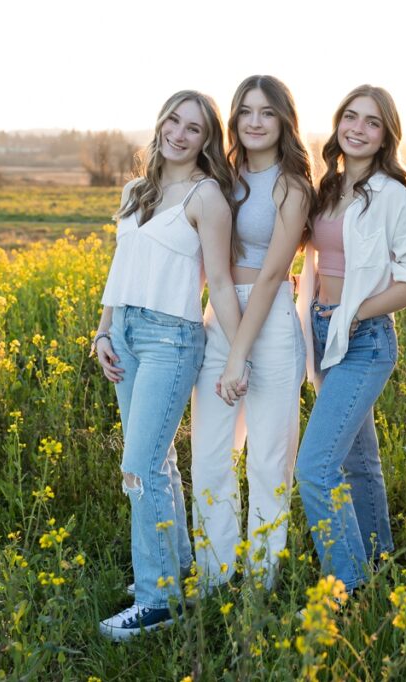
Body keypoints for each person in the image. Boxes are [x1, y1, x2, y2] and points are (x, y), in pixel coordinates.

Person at [92, 90, 242, 640]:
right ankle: (174, 571)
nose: (179, 134)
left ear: (208, 141)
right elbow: (121, 263)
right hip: (127, 334)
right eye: (173, 122)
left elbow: (221, 282)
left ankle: (157, 604)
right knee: (157, 461)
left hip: (172, 339)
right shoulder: (137, 190)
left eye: (194, 129)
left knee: (139, 465)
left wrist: (240, 351)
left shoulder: (207, 197)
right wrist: (104, 330)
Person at [294, 85, 406, 595]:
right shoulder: (325, 188)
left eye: (371, 122)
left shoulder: (394, 197)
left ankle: (350, 587)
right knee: (357, 461)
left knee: (314, 468)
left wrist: (355, 313)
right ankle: (378, 562)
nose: (357, 128)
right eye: (350, 117)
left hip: (363, 339)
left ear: (385, 137)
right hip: (320, 327)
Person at [190, 75, 312, 591]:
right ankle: (215, 574)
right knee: (211, 454)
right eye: (245, 112)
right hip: (220, 316)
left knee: (268, 458)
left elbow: (268, 275)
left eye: (266, 112)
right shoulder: (219, 177)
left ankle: (261, 579)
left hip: (271, 322)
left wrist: (238, 355)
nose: (255, 122)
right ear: (234, 120)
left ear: (284, 119)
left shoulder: (293, 185)